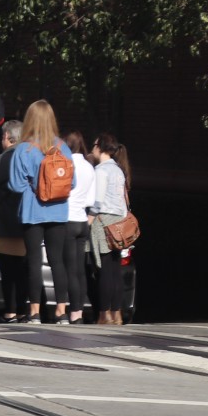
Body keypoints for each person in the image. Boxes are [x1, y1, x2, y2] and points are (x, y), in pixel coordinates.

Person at [6, 100, 76, 323]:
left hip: (32, 211)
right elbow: (71, 183)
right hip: (58, 211)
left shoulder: (24, 149)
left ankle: (34, 311)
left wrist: (32, 186)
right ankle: (61, 311)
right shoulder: (63, 148)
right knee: (57, 261)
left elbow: (16, 185)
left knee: (34, 260)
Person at [88, 133, 133, 326]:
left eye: (94, 145)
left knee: (104, 269)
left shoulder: (101, 171)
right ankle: (117, 314)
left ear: (101, 148)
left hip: (104, 221)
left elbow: (97, 201)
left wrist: (89, 218)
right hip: (120, 222)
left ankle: (103, 314)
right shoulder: (119, 170)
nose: (92, 149)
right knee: (115, 269)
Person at [59, 131, 96, 326]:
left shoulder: (66, 164)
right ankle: (79, 310)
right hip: (83, 220)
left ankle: (72, 312)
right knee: (80, 269)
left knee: (69, 269)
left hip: (67, 218)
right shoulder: (89, 167)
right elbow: (91, 199)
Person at [0, 120, 26, 322]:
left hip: (4, 222)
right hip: (26, 221)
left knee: (7, 270)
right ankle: (23, 309)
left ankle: (10, 310)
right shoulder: (31, 157)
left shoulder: (0, 160)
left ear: (6, 137)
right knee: (23, 269)